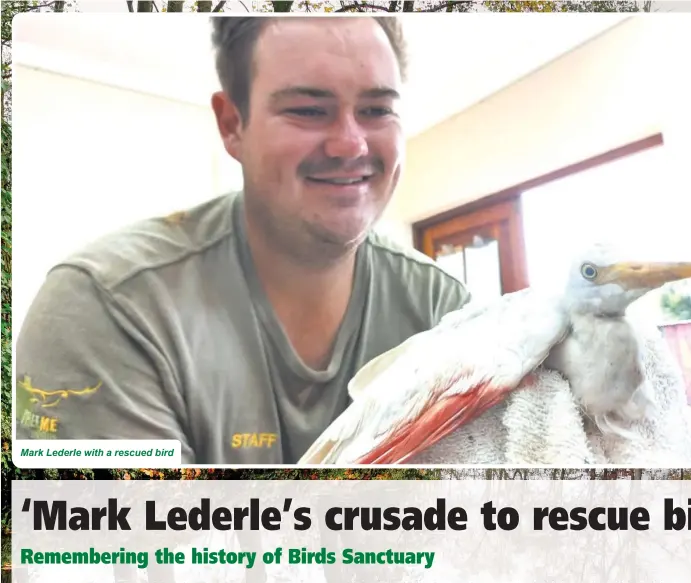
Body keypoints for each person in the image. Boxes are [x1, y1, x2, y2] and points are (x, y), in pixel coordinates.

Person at [15, 16, 469, 464]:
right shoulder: (107, 307)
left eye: (376, 110)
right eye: (308, 110)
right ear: (233, 124)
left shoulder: (443, 310)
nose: (350, 145)